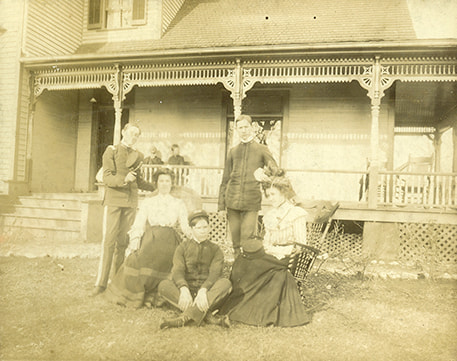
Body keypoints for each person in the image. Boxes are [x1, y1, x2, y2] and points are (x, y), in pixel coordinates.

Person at [219, 172, 312, 327]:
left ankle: (249, 311)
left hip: (288, 256)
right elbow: (267, 241)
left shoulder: (296, 214)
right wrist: (268, 250)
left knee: (254, 264)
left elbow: (301, 244)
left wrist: (280, 251)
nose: (270, 198)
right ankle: (234, 305)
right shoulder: (270, 215)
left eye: (274, 194)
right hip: (271, 254)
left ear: (284, 193)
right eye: (268, 195)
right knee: (242, 260)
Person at [102, 168, 191, 308]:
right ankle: (140, 295)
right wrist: (135, 239)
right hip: (151, 237)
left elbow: (185, 225)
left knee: (172, 260)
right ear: (156, 183)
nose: (164, 184)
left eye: (167, 181)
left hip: (170, 239)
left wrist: (192, 235)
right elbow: (139, 222)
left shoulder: (178, 203)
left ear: (171, 183)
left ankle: (156, 295)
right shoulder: (149, 201)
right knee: (136, 259)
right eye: (161, 181)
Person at [92, 122, 156, 297]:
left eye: (137, 134)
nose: (133, 137)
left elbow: (139, 181)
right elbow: (106, 177)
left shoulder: (139, 155)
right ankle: (101, 284)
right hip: (113, 202)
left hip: (130, 203)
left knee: (123, 243)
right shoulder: (111, 151)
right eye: (131, 133)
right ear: (123, 132)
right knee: (109, 242)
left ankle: (116, 282)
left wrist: (155, 188)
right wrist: (124, 179)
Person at [158, 210, 232, 329]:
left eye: (206, 227)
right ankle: (207, 316)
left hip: (207, 293)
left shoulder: (215, 249)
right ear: (192, 229)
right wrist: (183, 288)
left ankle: (182, 319)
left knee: (225, 283)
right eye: (199, 228)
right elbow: (177, 271)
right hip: (186, 291)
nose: (203, 231)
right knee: (163, 285)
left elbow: (215, 273)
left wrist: (203, 290)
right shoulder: (182, 248)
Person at [218, 114, 277, 258]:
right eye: (240, 128)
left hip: (251, 202)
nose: (243, 130)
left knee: (248, 239)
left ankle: (249, 271)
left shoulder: (262, 149)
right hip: (232, 202)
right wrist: (221, 207)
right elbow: (225, 179)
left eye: (246, 127)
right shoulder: (233, 151)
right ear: (237, 130)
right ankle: (238, 269)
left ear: (252, 128)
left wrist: (264, 174)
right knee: (236, 243)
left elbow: (275, 170)